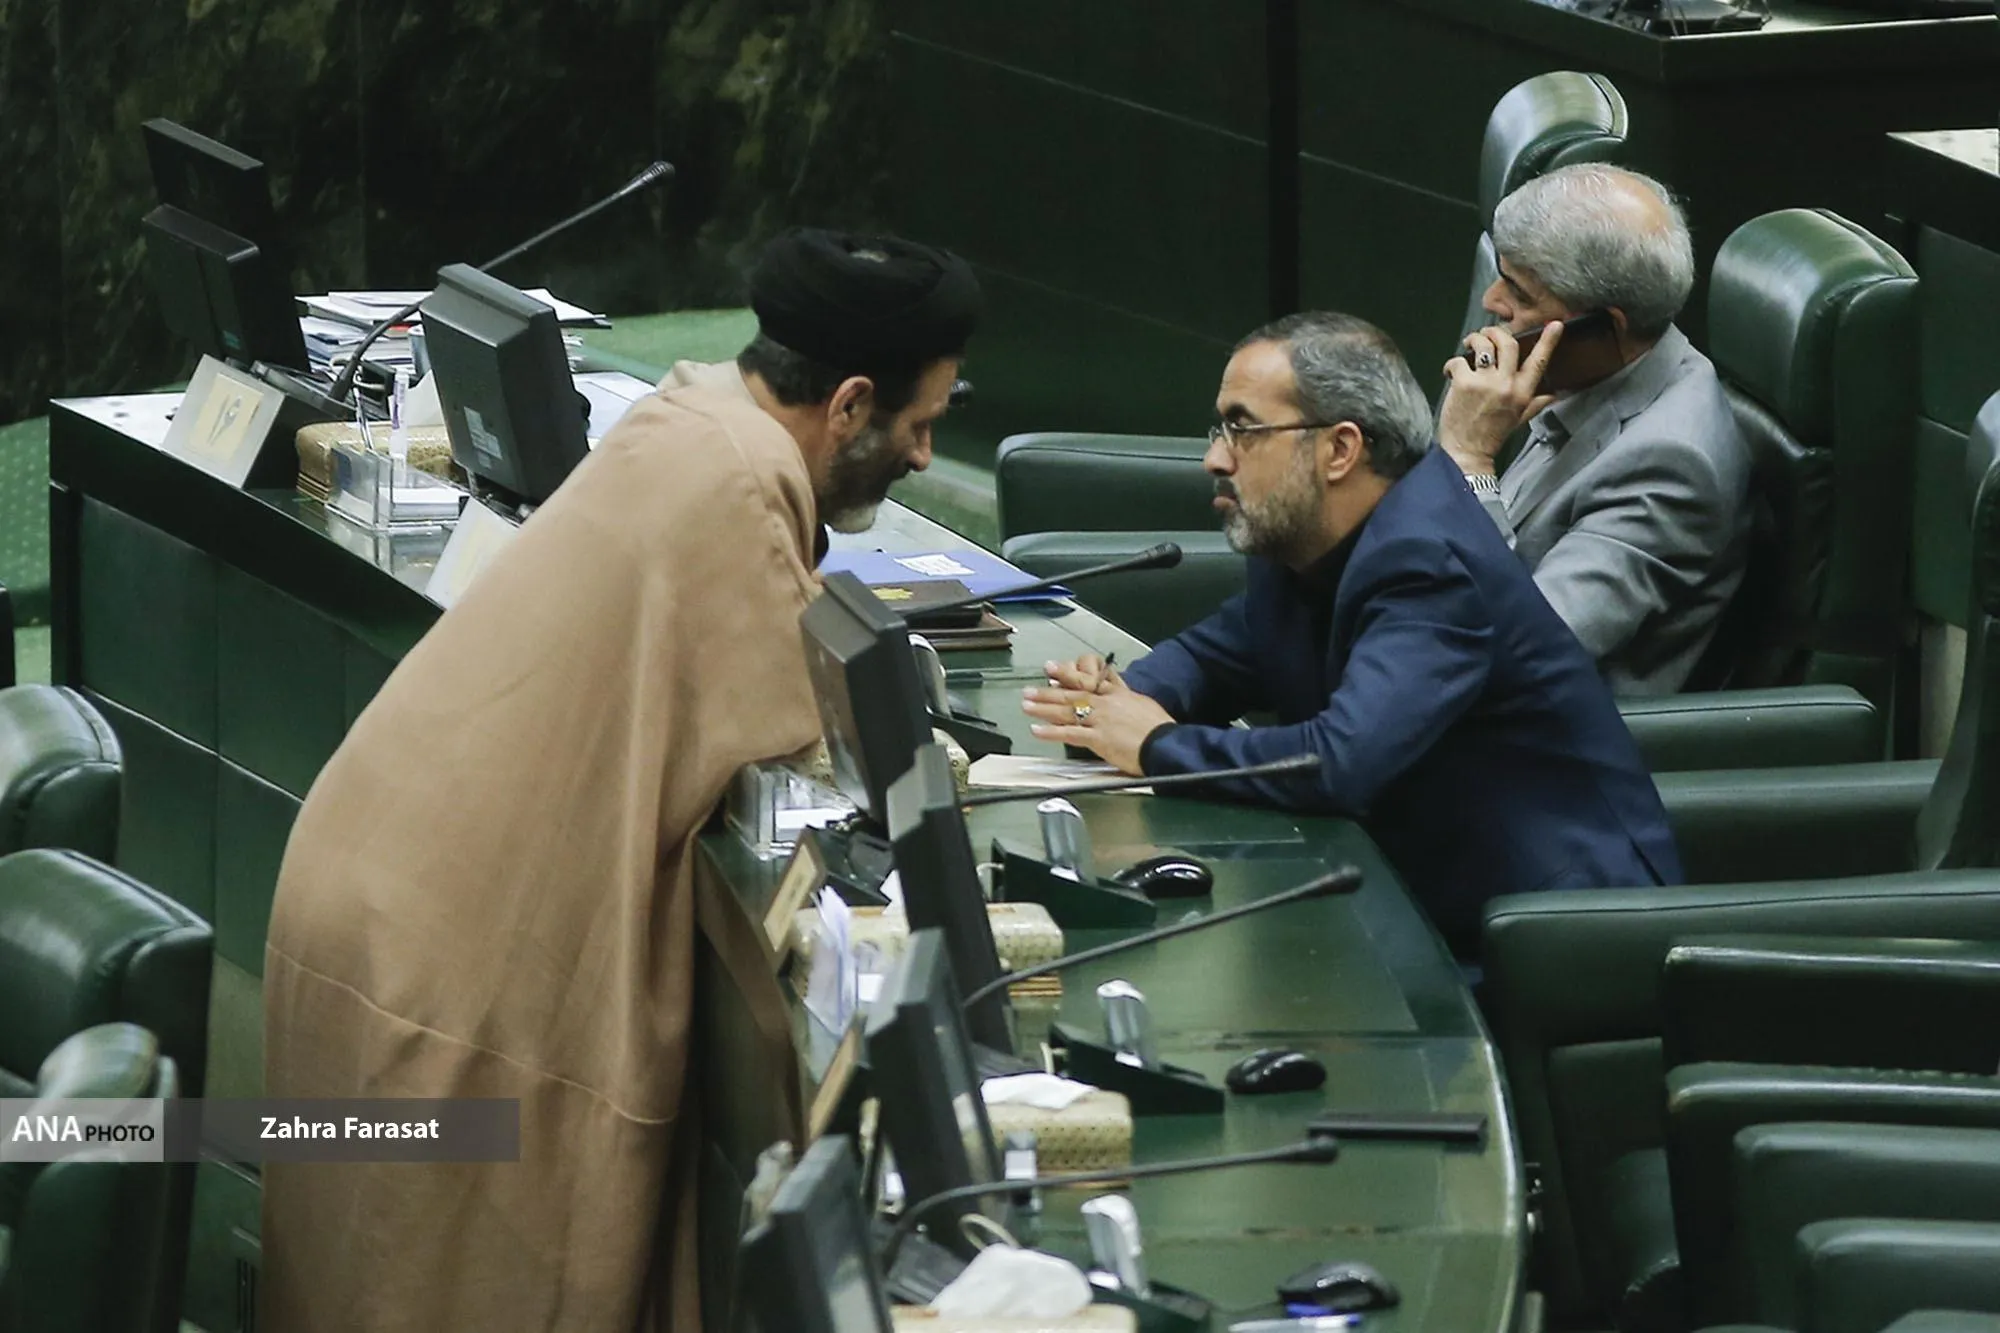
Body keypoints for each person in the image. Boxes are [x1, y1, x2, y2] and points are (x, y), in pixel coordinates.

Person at [260, 228, 979, 1332]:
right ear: (847, 405)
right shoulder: (739, 487)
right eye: (920, 423)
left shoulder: (691, 414)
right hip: (446, 967)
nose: (925, 456)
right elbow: (814, 752)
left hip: (367, 892)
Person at [1024, 311, 1679, 946]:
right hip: (1410, 891)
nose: (1215, 459)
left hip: (1544, 931)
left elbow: (1340, 763)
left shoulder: (1429, 561)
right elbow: (1218, 655)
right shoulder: (1306, 532)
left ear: (1340, 449)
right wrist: (1116, 699)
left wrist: (1153, 743)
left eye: (1243, 430)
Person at [1438, 163, 1750, 696]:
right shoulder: (1591, 374)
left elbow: (1519, 656)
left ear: (1606, 325)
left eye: (1521, 294)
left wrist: (1469, 460)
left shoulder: (1670, 468)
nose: (1491, 301)